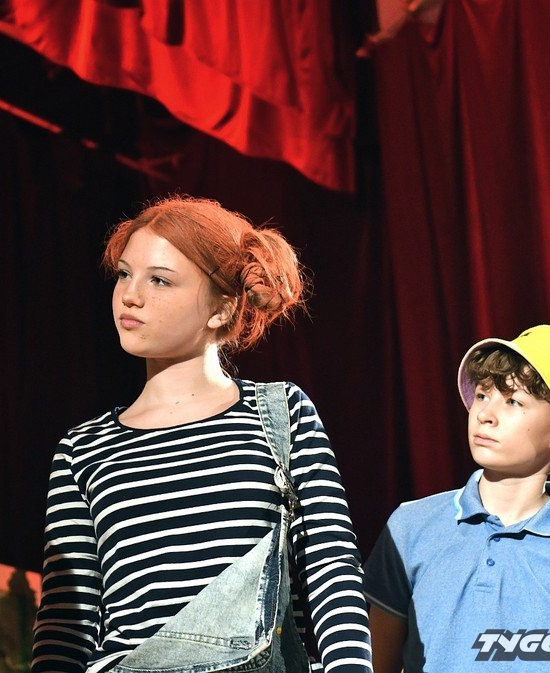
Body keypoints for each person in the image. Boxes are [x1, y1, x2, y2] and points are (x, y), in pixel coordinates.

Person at [30, 197, 372, 673]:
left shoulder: (280, 414)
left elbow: (330, 569)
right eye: (125, 274)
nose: (130, 295)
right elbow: (67, 622)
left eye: (160, 280)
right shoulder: (83, 449)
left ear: (222, 307)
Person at [364, 325, 550, 673]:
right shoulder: (410, 526)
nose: (484, 414)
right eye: (483, 395)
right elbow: (374, 662)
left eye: (513, 401)